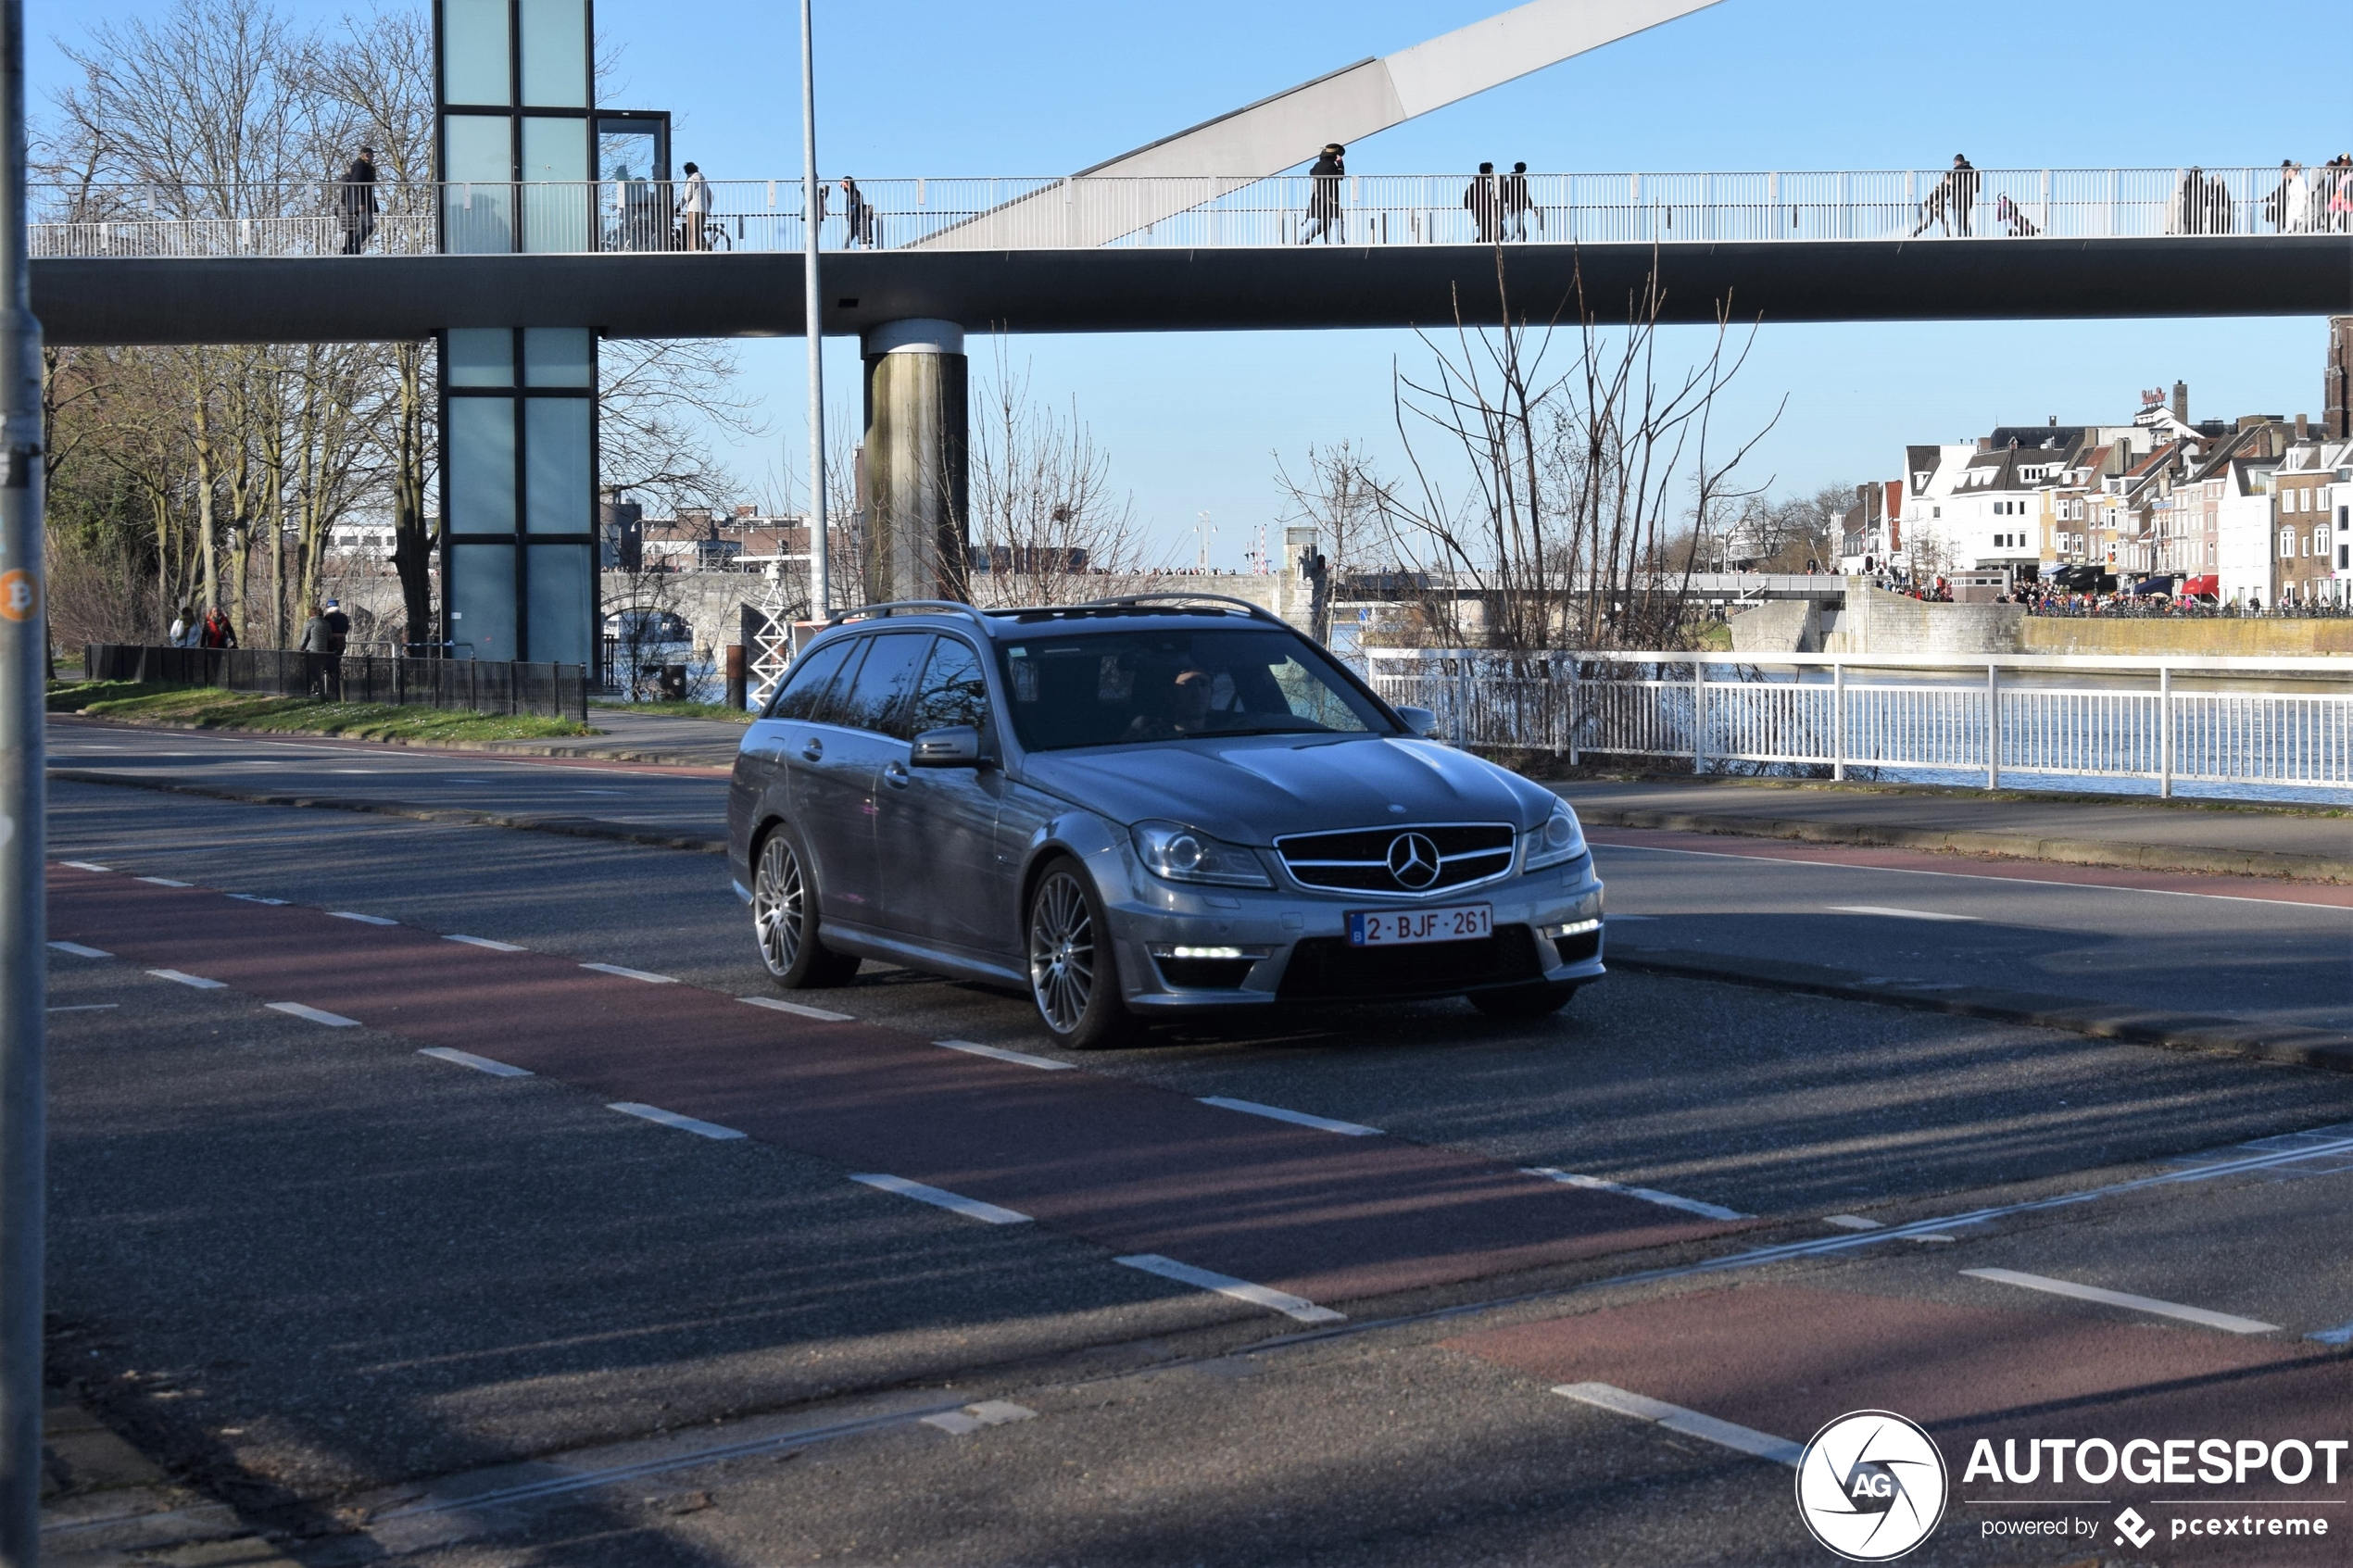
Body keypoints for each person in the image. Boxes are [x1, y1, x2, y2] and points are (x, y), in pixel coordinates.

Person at [1124, 666, 1216, 741]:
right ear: (1172, 695)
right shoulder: (1151, 736)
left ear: (1212, 692)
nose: (1197, 692)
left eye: (1203, 684)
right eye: (1188, 685)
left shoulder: (1226, 731)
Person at [1300, 144, 1345, 244]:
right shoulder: (1331, 165)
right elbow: (1340, 176)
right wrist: (1340, 165)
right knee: (1337, 220)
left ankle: (1304, 239)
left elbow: (1311, 172)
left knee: (1318, 220)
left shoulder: (1317, 165)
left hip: (1319, 197)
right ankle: (1340, 242)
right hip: (1331, 196)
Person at [338, 144, 378, 255]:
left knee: (363, 226)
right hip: (361, 202)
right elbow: (356, 184)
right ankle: (353, 249)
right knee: (369, 225)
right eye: (371, 156)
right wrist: (360, 203)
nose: (372, 158)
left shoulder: (362, 166)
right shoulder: (360, 166)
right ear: (366, 155)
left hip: (362, 201)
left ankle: (352, 249)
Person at [677, 160, 711, 251]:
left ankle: (693, 251)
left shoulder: (691, 179)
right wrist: (708, 207)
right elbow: (711, 195)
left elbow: (687, 196)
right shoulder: (703, 180)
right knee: (699, 232)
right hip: (704, 209)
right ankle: (700, 249)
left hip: (693, 209)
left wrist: (678, 207)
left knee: (692, 232)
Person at [1464, 161, 1500, 243]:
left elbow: (1466, 201)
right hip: (1485, 211)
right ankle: (1476, 245)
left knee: (1486, 231)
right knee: (1488, 232)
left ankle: (1477, 244)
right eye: (1491, 171)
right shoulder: (1487, 185)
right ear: (1487, 171)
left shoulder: (1473, 185)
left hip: (1477, 211)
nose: (1491, 173)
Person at [1501, 160, 1536, 241]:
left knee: (1523, 234)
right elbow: (1526, 197)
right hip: (1517, 210)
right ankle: (1499, 249)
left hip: (1512, 209)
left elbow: (1505, 196)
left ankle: (1520, 252)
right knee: (1513, 234)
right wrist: (1533, 209)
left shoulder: (1509, 182)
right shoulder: (1522, 182)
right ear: (1524, 171)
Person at [837, 176, 875, 248]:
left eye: (845, 186)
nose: (844, 188)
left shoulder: (855, 194)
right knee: (855, 236)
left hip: (857, 219)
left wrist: (850, 215)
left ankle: (846, 247)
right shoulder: (851, 194)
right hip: (855, 219)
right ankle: (846, 246)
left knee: (860, 238)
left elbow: (856, 206)